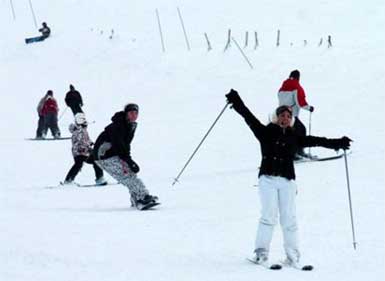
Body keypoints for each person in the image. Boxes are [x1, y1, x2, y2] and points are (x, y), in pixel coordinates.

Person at [225, 89, 351, 269]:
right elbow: (248, 117)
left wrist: (337, 143)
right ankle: (261, 254)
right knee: (268, 217)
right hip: (267, 180)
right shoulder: (264, 132)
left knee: (289, 219)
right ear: (276, 117)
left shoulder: (294, 138)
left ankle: (293, 257)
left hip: (287, 182)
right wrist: (236, 102)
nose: (285, 118)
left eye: (288, 115)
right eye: (282, 115)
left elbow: (316, 140)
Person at [93, 103, 158, 210]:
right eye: (131, 112)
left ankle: (137, 199)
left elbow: (125, 145)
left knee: (129, 173)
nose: (134, 115)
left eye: (136, 113)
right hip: (104, 156)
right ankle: (143, 197)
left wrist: (129, 160)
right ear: (126, 113)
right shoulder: (118, 125)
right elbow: (119, 144)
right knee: (127, 175)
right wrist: (129, 160)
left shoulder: (129, 125)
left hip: (113, 153)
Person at [278, 70, 314, 159]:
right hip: (291, 116)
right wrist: (309, 108)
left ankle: (293, 153)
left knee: (289, 134)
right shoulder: (296, 86)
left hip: (281, 116)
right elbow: (300, 102)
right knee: (301, 130)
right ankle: (297, 153)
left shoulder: (281, 88)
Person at [63, 113, 106, 185]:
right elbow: (78, 142)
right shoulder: (79, 131)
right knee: (79, 164)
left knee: (94, 162)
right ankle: (68, 180)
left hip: (83, 152)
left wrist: (91, 143)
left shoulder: (82, 130)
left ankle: (100, 178)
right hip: (80, 152)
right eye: (84, 121)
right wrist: (86, 147)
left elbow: (86, 140)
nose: (86, 123)